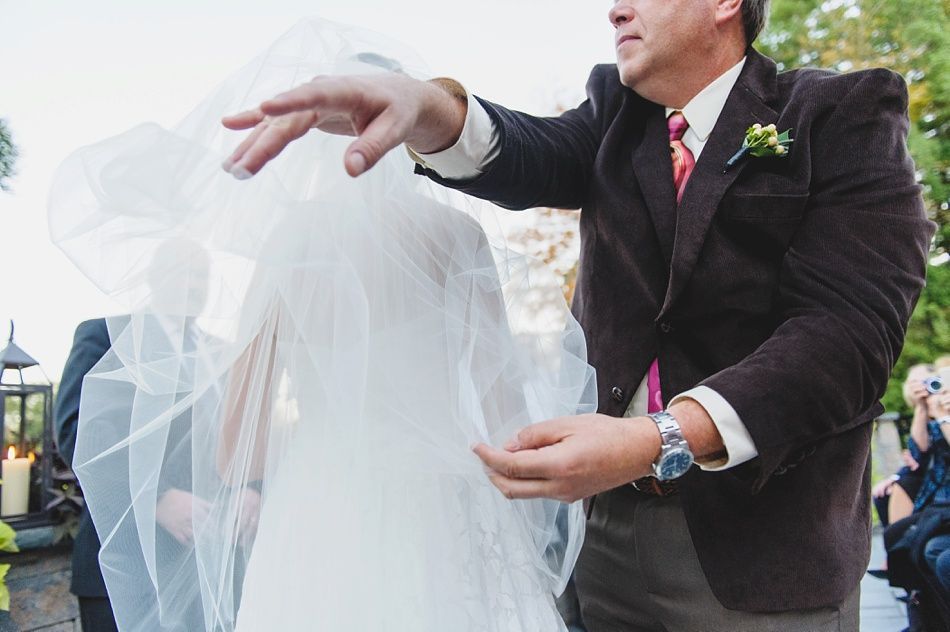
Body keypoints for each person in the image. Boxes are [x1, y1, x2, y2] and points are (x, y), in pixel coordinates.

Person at [223, 0, 935, 629]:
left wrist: (656, 439)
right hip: (602, 550)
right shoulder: (616, 115)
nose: (615, 9)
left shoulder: (841, 113)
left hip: (756, 556)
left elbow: (846, 339)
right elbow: (528, 151)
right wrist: (426, 107)